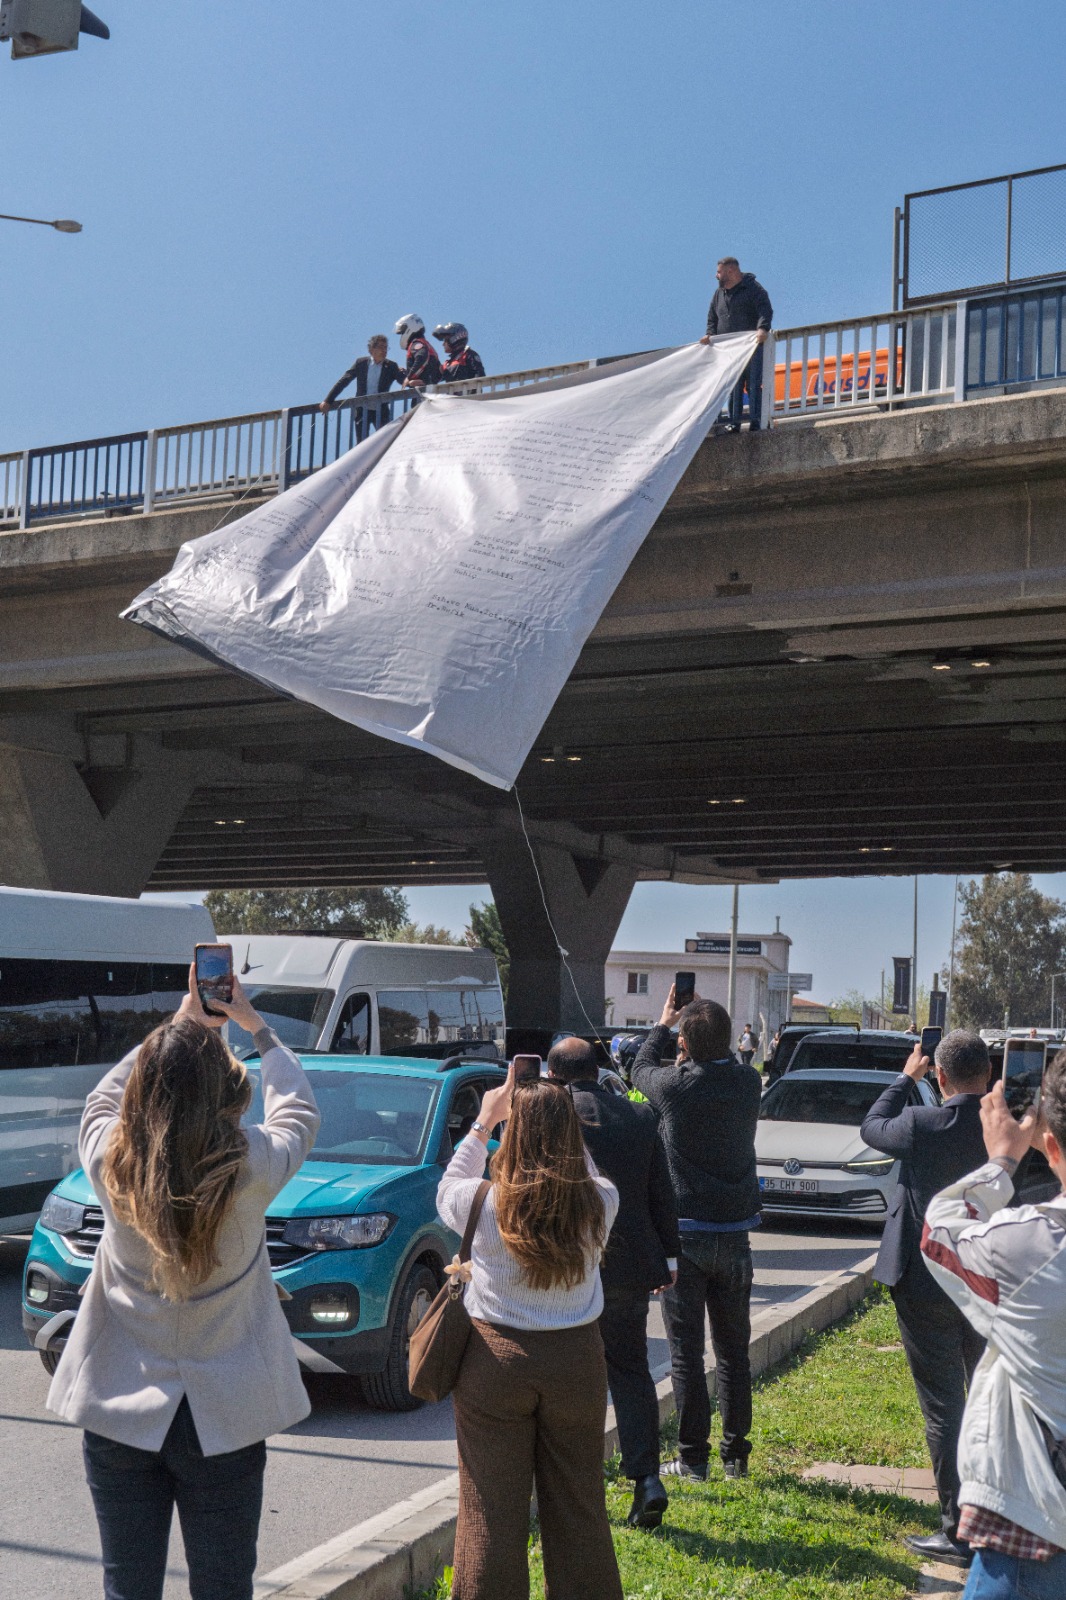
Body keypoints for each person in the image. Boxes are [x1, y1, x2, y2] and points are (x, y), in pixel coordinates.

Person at [47, 968, 320, 1600]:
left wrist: (179, 1021)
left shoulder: (113, 1159)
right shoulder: (251, 1164)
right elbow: (298, 1110)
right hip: (223, 1416)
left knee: (128, 1586)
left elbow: (100, 1103)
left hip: (118, 1408)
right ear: (227, 1089)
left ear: (144, 1086)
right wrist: (255, 1026)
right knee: (225, 1589)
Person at [438, 1066, 623, 1600]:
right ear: (572, 1135)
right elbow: (582, 1172)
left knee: (489, 1508)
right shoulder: (601, 1202)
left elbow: (449, 1183)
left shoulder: (483, 1203)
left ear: (511, 1134)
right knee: (579, 1502)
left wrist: (484, 1121)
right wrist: (559, 1118)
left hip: (493, 1362)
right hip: (576, 1363)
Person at [922, 1058, 1066, 1598]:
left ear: (1050, 1148)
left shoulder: (1030, 1248)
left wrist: (1002, 1161)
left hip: (1037, 1532)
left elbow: (941, 1230)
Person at [860, 1031, 991, 1567]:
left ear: (939, 1076)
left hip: (924, 1281)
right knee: (987, 1399)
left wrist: (904, 1077)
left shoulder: (920, 1123)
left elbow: (871, 1126)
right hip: (987, 1282)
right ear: (989, 1072)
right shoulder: (1006, 1130)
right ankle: (994, 1517)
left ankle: (955, 1531)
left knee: (943, 1407)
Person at [547, 1037, 680, 1529]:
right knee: (629, 1369)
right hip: (627, 1265)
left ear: (553, 1073)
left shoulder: (548, 1114)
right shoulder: (639, 1116)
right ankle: (646, 1477)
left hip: (559, 1265)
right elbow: (660, 1190)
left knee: (564, 1374)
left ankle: (570, 1485)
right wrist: (668, 1256)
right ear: (597, 1066)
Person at [632, 989, 762, 1480]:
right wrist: (686, 1037)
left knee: (687, 1355)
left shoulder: (673, 1088)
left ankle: (692, 1460)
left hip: (683, 1236)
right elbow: (720, 1062)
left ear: (684, 1043)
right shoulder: (750, 1082)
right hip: (735, 1235)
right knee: (734, 1353)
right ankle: (736, 1458)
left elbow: (639, 1068)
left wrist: (663, 1025)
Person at [700, 257, 772, 432]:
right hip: (729, 350)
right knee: (733, 385)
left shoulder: (753, 288)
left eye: (719, 272)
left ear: (730, 271)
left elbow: (765, 310)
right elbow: (712, 318)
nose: (716, 276)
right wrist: (710, 335)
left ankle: (756, 421)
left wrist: (762, 329)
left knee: (753, 383)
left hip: (752, 347)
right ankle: (734, 423)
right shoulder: (719, 294)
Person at [318, 333, 405, 438]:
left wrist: (409, 376)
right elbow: (344, 380)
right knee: (362, 444)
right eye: (381, 347)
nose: (384, 351)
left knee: (387, 441)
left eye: (386, 348)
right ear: (372, 349)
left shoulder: (391, 366)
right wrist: (328, 400)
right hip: (362, 411)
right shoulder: (361, 363)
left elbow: (404, 380)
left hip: (381, 411)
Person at [394, 313, 442, 389]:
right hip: (430, 392)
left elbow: (422, 357)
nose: (401, 335)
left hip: (423, 394)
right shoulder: (425, 344)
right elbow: (438, 372)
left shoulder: (416, 343)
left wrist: (409, 377)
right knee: (399, 374)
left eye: (401, 333)